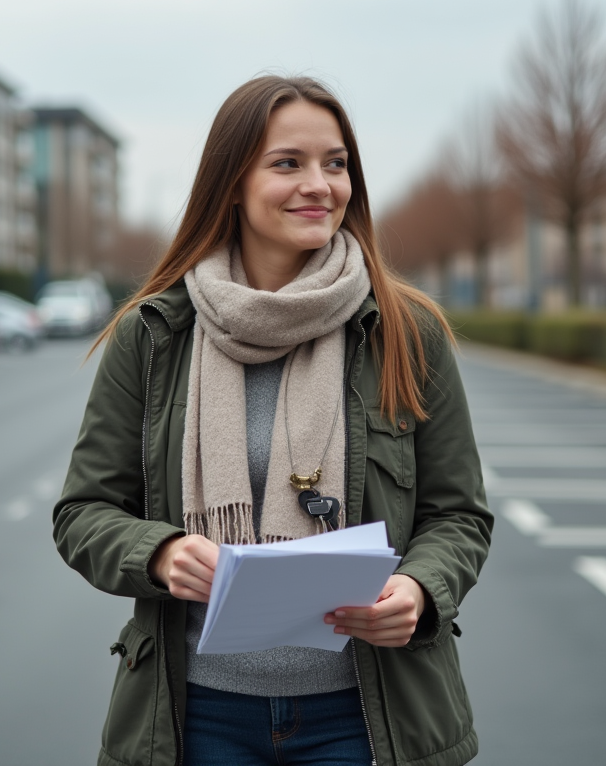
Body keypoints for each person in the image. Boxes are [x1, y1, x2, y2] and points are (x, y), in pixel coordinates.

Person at [53, 74, 492, 766]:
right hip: (199, 715)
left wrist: (420, 588)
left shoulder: (406, 331)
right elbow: (84, 512)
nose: (320, 184)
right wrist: (160, 553)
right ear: (231, 183)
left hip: (364, 717)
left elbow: (458, 515)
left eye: (336, 163)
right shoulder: (154, 334)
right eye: (288, 162)